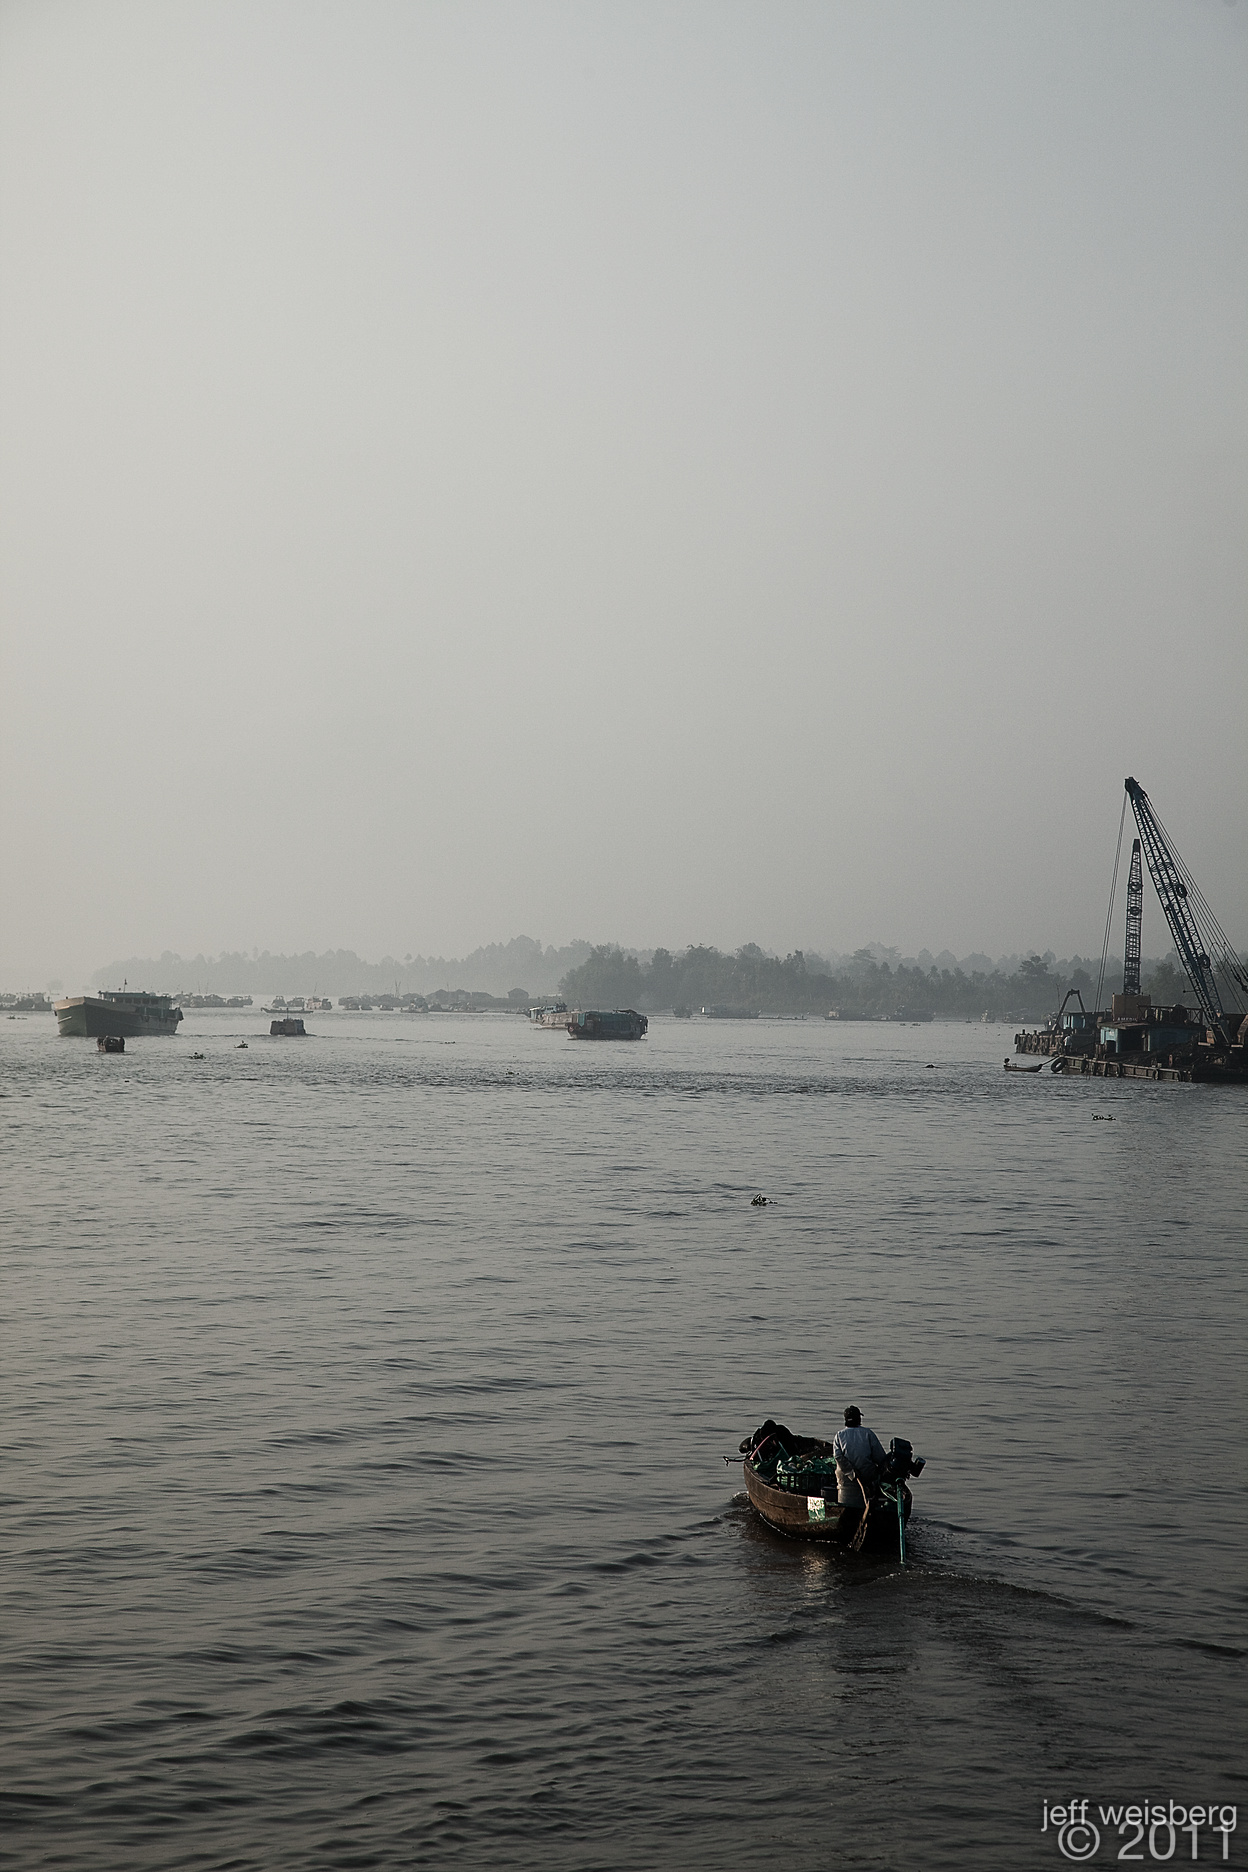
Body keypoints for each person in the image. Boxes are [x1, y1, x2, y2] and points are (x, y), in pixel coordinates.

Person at [832, 1405, 887, 1505]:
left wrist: (851, 1472)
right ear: (859, 1419)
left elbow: (838, 1457)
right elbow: (880, 1457)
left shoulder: (839, 1435)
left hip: (845, 1480)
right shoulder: (868, 1433)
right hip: (866, 1478)